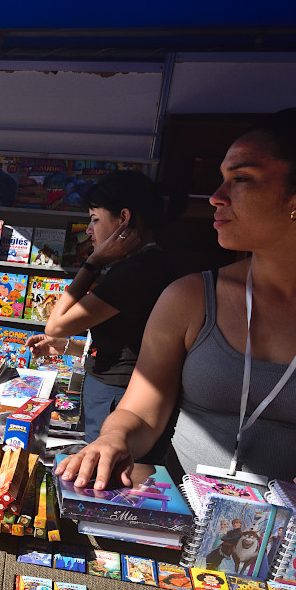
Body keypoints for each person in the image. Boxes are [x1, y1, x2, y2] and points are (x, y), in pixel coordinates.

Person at [59, 106, 296, 511]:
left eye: (241, 179)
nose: (216, 196)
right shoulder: (190, 297)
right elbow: (141, 411)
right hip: (178, 525)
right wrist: (113, 439)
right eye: (222, 179)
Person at [27, 170, 178, 457]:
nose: (88, 229)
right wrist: (68, 347)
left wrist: (93, 262)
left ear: (123, 218)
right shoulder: (150, 264)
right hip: (118, 395)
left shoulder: (136, 272)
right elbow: (132, 342)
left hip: (119, 401)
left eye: (95, 219)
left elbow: (56, 324)